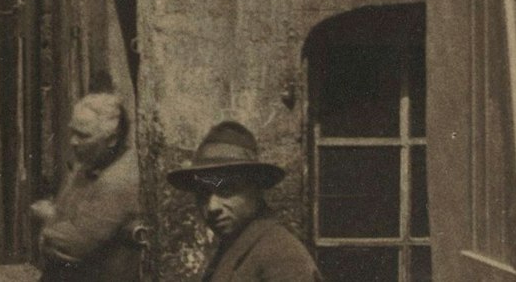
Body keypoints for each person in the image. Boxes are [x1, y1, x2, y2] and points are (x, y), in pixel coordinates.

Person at [167, 120, 319, 282]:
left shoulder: (282, 258)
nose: (212, 207)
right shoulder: (239, 245)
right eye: (203, 194)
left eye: (226, 190)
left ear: (256, 189)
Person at [29, 91, 144, 279]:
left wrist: (49, 221)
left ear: (112, 139)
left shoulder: (119, 179)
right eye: (72, 132)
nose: (73, 142)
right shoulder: (88, 164)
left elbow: (72, 244)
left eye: (83, 136)